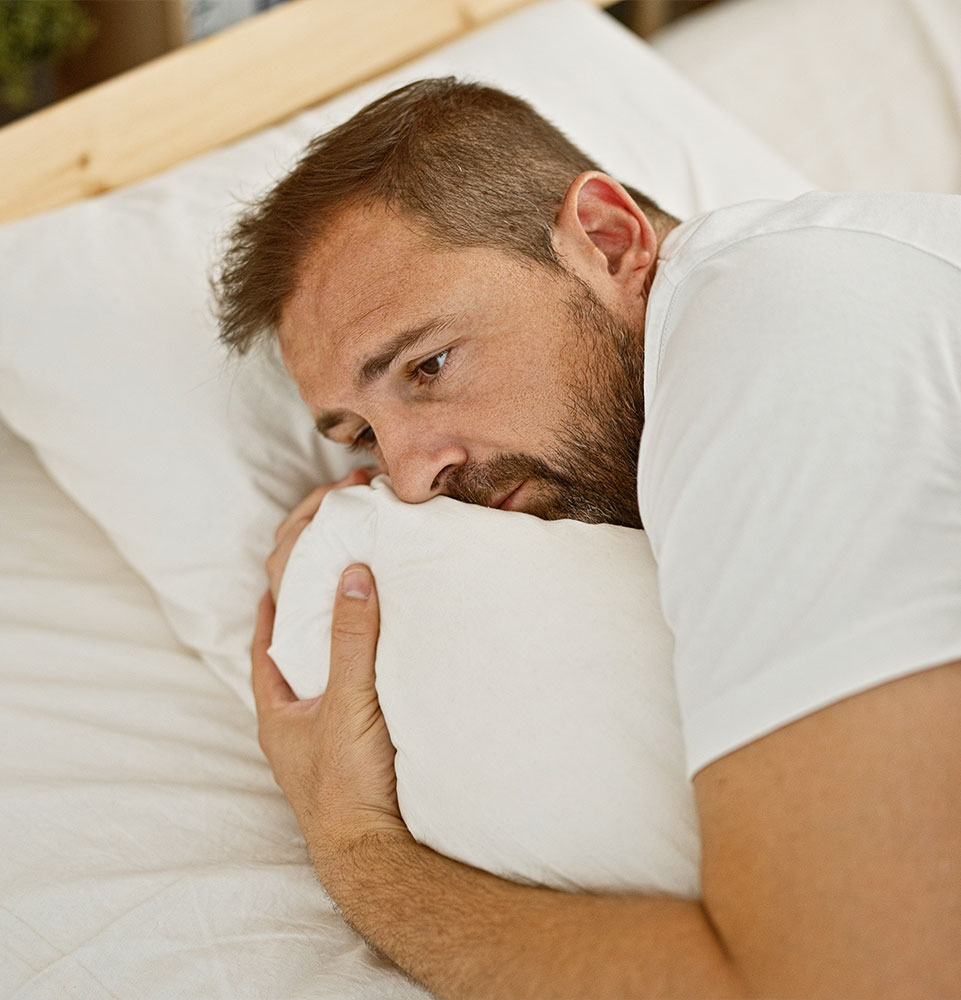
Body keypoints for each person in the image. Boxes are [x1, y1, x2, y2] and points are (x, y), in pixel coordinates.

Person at [216, 78, 961, 998]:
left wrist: (355, 846)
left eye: (429, 365)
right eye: (363, 436)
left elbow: (843, 981)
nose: (410, 479)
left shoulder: (773, 345)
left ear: (607, 240)